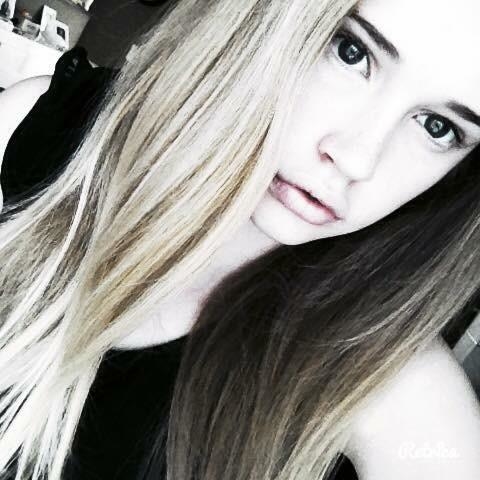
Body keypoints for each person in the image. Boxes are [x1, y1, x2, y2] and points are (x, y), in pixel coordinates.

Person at [0, 0, 479, 479]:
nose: (357, 159)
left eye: (438, 128)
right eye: (350, 51)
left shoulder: (395, 385)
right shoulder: (42, 139)